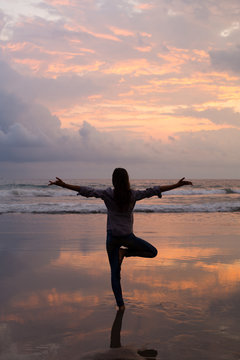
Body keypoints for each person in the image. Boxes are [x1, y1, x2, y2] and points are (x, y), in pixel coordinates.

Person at [49, 168, 192, 310]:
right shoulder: (133, 195)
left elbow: (87, 191)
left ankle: (121, 305)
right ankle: (125, 253)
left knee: (115, 274)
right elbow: (154, 190)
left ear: (113, 180)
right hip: (127, 237)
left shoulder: (107, 194)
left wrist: (63, 185)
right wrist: (177, 185)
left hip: (112, 238)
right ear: (127, 180)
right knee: (153, 252)